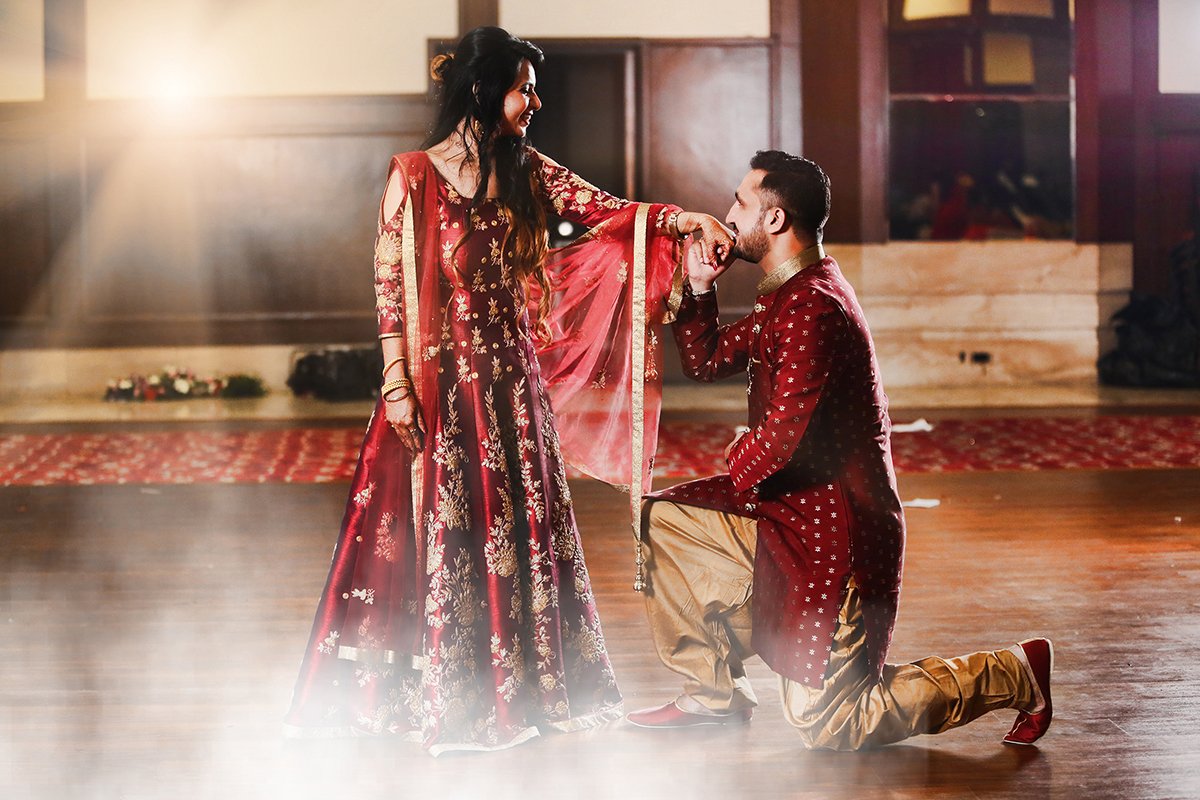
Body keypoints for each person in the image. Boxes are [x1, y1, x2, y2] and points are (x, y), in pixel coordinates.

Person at [284, 26, 733, 755]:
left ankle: (526, 689)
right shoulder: (413, 176)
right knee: (446, 535)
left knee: (516, 535)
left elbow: (606, 210)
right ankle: (445, 696)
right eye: (524, 88)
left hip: (513, 389)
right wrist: (396, 383)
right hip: (438, 385)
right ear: (483, 89)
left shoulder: (523, 168)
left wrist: (685, 221)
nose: (536, 101)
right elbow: (390, 286)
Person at [626, 150, 1054, 750]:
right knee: (664, 519)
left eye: (740, 203)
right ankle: (712, 693)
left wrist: (739, 450)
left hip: (836, 537)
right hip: (788, 513)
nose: (728, 215)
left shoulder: (813, 307)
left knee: (831, 723)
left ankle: (1013, 671)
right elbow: (706, 361)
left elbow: (779, 443)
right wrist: (698, 287)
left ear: (775, 220)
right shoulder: (788, 293)